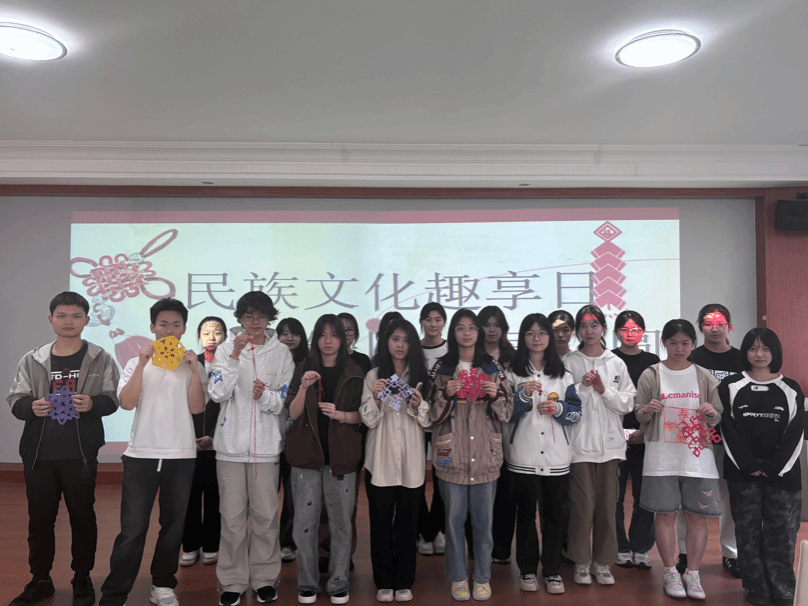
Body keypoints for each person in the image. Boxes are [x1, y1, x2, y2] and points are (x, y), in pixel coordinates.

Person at [7, 291, 120, 606]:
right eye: (62, 316)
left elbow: (113, 398)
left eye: (75, 316)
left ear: (86, 320)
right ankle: (40, 580)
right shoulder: (33, 359)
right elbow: (16, 399)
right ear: (51, 319)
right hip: (39, 454)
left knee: (83, 518)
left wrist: (93, 404)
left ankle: (82, 579)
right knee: (39, 520)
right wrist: (31, 407)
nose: (68, 322)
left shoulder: (100, 358)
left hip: (80, 454)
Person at [100, 298, 207, 606]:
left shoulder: (192, 365)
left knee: (173, 527)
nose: (169, 330)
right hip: (141, 456)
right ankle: (115, 592)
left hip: (181, 456)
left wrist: (195, 372)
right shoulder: (136, 363)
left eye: (176, 325)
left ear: (184, 329)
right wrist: (141, 364)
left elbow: (197, 408)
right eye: (163, 324)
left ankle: (162, 584)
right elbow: (127, 403)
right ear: (152, 327)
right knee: (132, 528)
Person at [208, 292, 295, 606]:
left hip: (266, 449)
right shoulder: (224, 349)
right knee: (231, 520)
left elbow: (281, 402)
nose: (254, 322)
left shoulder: (281, 353)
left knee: (265, 518)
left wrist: (263, 397)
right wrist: (234, 356)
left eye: (260, 316)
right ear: (240, 318)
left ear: (269, 318)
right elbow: (217, 393)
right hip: (229, 448)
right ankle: (232, 581)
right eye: (248, 316)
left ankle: (264, 579)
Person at [428, 309, 513, 602]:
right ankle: (458, 577)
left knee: (483, 523)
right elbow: (428, 415)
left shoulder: (492, 367)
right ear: (453, 332)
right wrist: (446, 394)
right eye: (460, 328)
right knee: (453, 522)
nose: (467, 333)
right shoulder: (442, 368)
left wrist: (495, 395)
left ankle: (482, 577)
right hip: (451, 456)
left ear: (478, 332)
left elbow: (508, 411)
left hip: (485, 455)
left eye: (472, 328)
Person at [635, 319, 722, 601]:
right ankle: (670, 571)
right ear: (664, 343)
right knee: (665, 514)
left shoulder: (704, 376)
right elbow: (639, 413)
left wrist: (712, 413)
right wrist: (647, 410)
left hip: (697, 456)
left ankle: (693, 574)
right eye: (673, 343)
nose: (679, 348)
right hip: (661, 455)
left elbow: (717, 415)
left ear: (693, 344)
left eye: (685, 343)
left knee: (696, 516)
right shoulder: (651, 374)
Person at [719, 328, 804, 606]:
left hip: (783, 475)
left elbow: (795, 433)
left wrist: (774, 467)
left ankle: (783, 590)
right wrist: (748, 465)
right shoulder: (731, 386)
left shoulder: (790, 388)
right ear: (745, 351)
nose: (759, 354)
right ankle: (755, 588)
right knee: (748, 534)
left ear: (774, 352)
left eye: (765, 348)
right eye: (753, 348)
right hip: (743, 475)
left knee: (782, 535)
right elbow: (727, 429)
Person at [285, 314, 365, 605]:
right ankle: (307, 582)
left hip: (342, 455)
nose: (328, 341)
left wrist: (340, 415)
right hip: (306, 456)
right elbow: (292, 413)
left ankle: (338, 581)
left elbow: (364, 416)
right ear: (315, 338)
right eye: (322, 334)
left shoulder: (356, 371)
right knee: (304, 523)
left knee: (341, 522)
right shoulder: (303, 367)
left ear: (343, 339)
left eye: (334, 335)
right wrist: (304, 387)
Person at [504, 313, 581, 595]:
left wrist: (558, 409)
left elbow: (576, 414)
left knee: (553, 517)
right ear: (522, 337)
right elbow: (506, 414)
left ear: (549, 337)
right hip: (522, 457)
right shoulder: (511, 372)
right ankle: (526, 570)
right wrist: (523, 397)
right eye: (530, 333)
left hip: (556, 458)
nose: (536, 338)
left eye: (542, 333)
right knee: (525, 516)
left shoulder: (563, 374)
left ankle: (551, 571)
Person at [360, 319, 431, 603]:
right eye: (395, 339)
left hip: (411, 461)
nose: (400, 345)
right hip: (381, 460)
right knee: (380, 524)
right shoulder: (374, 375)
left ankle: (404, 580)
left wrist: (419, 404)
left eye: (406, 340)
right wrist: (378, 398)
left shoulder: (420, 374)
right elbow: (368, 419)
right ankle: (383, 580)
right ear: (385, 342)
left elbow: (429, 420)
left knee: (407, 525)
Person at [564, 305, 635, 587]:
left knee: (607, 507)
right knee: (582, 507)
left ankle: (603, 562)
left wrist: (605, 391)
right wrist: (581, 387)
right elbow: (562, 403)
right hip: (579, 447)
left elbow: (627, 403)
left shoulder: (616, 362)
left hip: (610, 448)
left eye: (594, 325)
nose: (589, 331)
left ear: (603, 328)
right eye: (583, 326)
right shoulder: (570, 362)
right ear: (578, 331)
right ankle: (581, 561)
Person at [676, 303, 743, 578]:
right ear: (700, 327)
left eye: (720, 324)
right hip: (696, 439)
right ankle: (684, 552)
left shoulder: (742, 359)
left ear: (729, 326)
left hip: (732, 439)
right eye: (708, 324)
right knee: (690, 497)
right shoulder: (691, 357)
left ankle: (731, 553)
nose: (714, 329)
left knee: (730, 498)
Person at [611, 310, 659, 570]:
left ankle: (641, 547)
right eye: (624, 330)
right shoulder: (608, 358)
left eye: (636, 330)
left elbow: (657, 398)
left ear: (643, 332)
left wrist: (643, 430)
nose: (630, 334)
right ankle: (619, 546)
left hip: (645, 436)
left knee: (644, 496)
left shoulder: (653, 362)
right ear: (616, 332)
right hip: (612, 436)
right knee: (614, 497)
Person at [180, 316, 227, 568]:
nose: (211, 337)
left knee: (213, 495)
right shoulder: (187, 363)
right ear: (198, 336)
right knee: (188, 495)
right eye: (206, 332)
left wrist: (212, 436)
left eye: (217, 332)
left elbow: (228, 405)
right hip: (188, 440)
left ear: (225, 336)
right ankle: (189, 545)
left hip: (218, 441)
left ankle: (211, 545)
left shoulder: (231, 365)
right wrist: (190, 435)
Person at [275, 317, 310, 563]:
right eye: (284, 333)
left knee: (292, 493)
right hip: (270, 432)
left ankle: (288, 541)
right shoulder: (270, 360)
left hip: (298, 435)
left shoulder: (308, 363)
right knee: (267, 493)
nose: (289, 338)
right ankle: (267, 541)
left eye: (294, 333)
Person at [417, 302, 448, 557]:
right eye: (428, 319)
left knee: (443, 479)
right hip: (416, 425)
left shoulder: (451, 350)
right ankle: (424, 530)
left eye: (438, 319)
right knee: (415, 480)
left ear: (444, 323)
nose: (433, 324)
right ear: (421, 322)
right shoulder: (412, 348)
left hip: (444, 425)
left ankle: (434, 529)